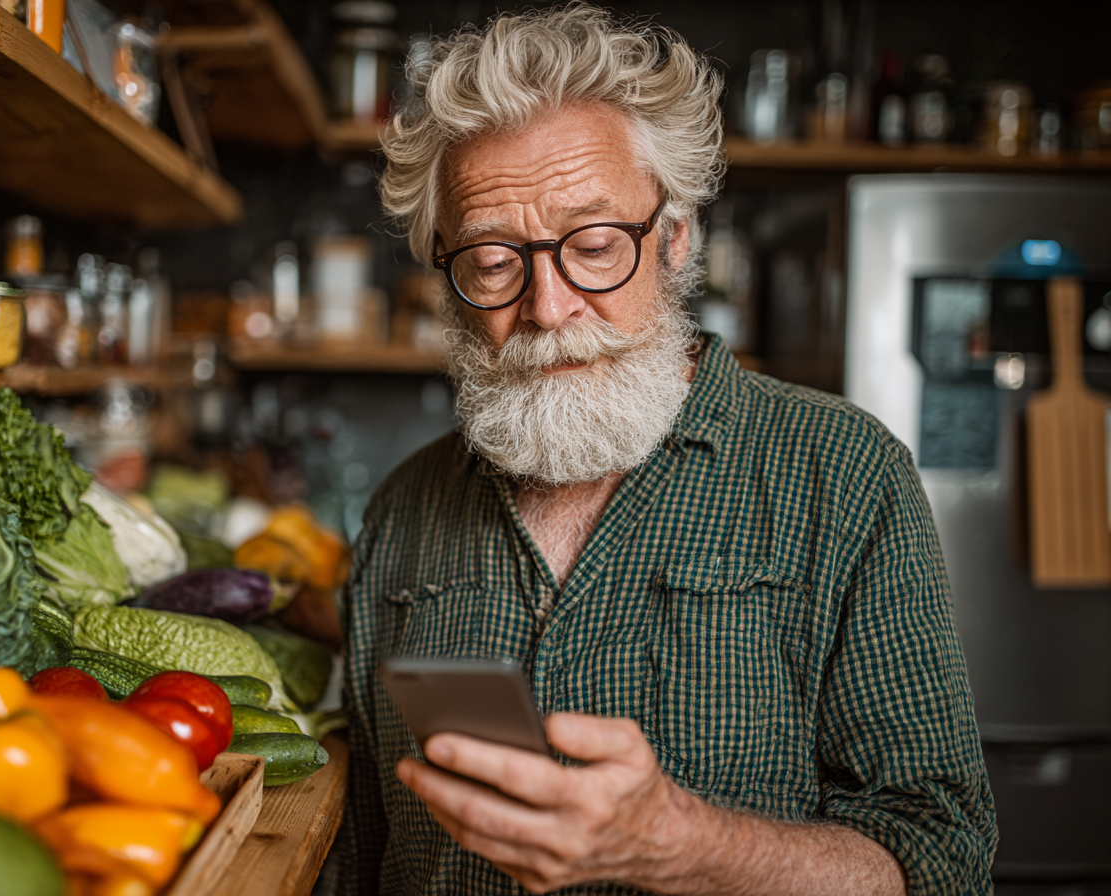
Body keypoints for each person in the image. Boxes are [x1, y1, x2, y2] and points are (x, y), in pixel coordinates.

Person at [339, 6, 997, 895]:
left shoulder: (843, 474)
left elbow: (943, 857)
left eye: (597, 245)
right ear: (449, 280)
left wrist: (686, 845)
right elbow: (367, 851)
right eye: (494, 261)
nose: (548, 306)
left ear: (677, 236)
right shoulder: (400, 511)